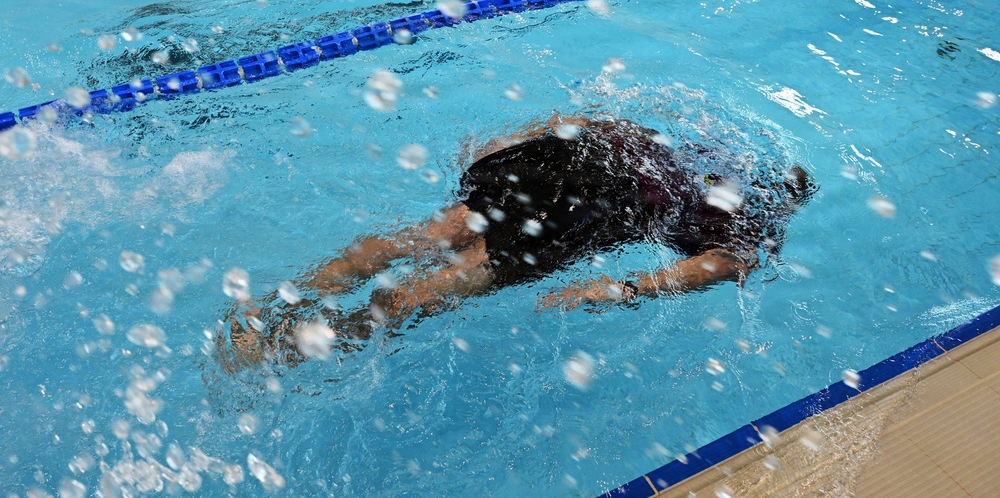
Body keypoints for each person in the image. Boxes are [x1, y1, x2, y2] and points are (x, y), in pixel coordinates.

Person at [221, 114, 815, 369]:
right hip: (592, 206)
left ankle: (267, 309)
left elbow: (601, 124)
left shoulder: (708, 153)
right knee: (425, 292)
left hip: (565, 159)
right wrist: (624, 288)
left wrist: (509, 142)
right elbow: (721, 265)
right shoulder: (754, 225)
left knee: (417, 239)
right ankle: (280, 354)